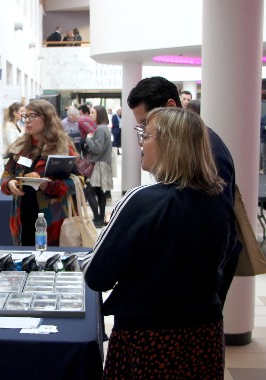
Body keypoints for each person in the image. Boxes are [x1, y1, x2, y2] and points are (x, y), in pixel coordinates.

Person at [83, 107, 235, 378]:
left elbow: (96, 276)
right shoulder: (217, 201)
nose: (140, 142)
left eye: (146, 135)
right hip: (204, 334)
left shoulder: (142, 200)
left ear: (169, 144)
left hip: (148, 337)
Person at [127, 76, 240, 307]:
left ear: (170, 107)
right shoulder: (180, 147)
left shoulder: (207, 149)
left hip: (199, 285)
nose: (144, 135)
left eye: (147, 123)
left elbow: (216, 224)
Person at [0, 99, 79, 246]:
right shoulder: (20, 147)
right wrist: (9, 184)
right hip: (23, 219)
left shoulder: (62, 147)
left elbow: (77, 181)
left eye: (32, 116)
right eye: (25, 117)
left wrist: (46, 185)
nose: (27, 121)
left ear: (47, 118)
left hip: (53, 221)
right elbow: (6, 176)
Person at [83, 106, 113, 227]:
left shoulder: (100, 129)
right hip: (103, 164)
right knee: (99, 192)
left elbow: (97, 148)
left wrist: (88, 139)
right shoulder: (104, 128)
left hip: (98, 165)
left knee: (89, 191)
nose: (90, 115)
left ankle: (97, 219)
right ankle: (100, 218)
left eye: (92, 113)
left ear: (99, 114)